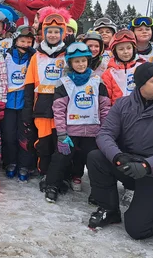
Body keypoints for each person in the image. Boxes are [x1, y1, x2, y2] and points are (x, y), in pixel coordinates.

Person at [87, 63, 153, 239]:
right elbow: (104, 134)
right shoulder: (123, 104)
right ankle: (109, 209)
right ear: (141, 84)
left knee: (138, 229)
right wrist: (118, 156)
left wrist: (147, 165)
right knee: (96, 157)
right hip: (131, 164)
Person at [47, 42, 111, 201]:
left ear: (88, 61)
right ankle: (52, 185)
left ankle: (98, 192)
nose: (80, 64)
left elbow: (105, 108)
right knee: (61, 158)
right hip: (70, 132)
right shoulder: (64, 83)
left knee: (94, 160)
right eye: (76, 61)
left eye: (83, 60)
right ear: (70, 63)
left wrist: (105, 131)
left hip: (92, 131)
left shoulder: (97, 81)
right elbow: (59, 110)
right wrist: (61, 133)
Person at [23, 9, 70, 182]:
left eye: (57, 31)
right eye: (49, 31)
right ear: (43, 33)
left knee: (61, 143)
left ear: (62, 33)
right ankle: (44, 173)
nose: (52, 35)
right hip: (42, 107)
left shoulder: (68, 54)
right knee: (43, 144)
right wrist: (27, 110)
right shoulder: (36, 57)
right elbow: (29, 85)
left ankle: (60, 175)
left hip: (63, 107)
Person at [2, 25, 36, 181]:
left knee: (25, 138)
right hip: (8, 104)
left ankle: (24, 165)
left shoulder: (33, 58)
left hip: (25, 105)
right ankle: (11, 162)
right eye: (22, 41)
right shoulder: (6, 56)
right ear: (16, 41)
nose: (25, 44)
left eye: (29, 41)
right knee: (9, 136)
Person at [101, 29, 145, 105]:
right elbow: (106, 102)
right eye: (121, 49)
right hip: (118, 114)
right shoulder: (109, 73)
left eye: (129, 48)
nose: (125, 52)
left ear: (134, 49)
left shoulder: (142, 68)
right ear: (115, 52)